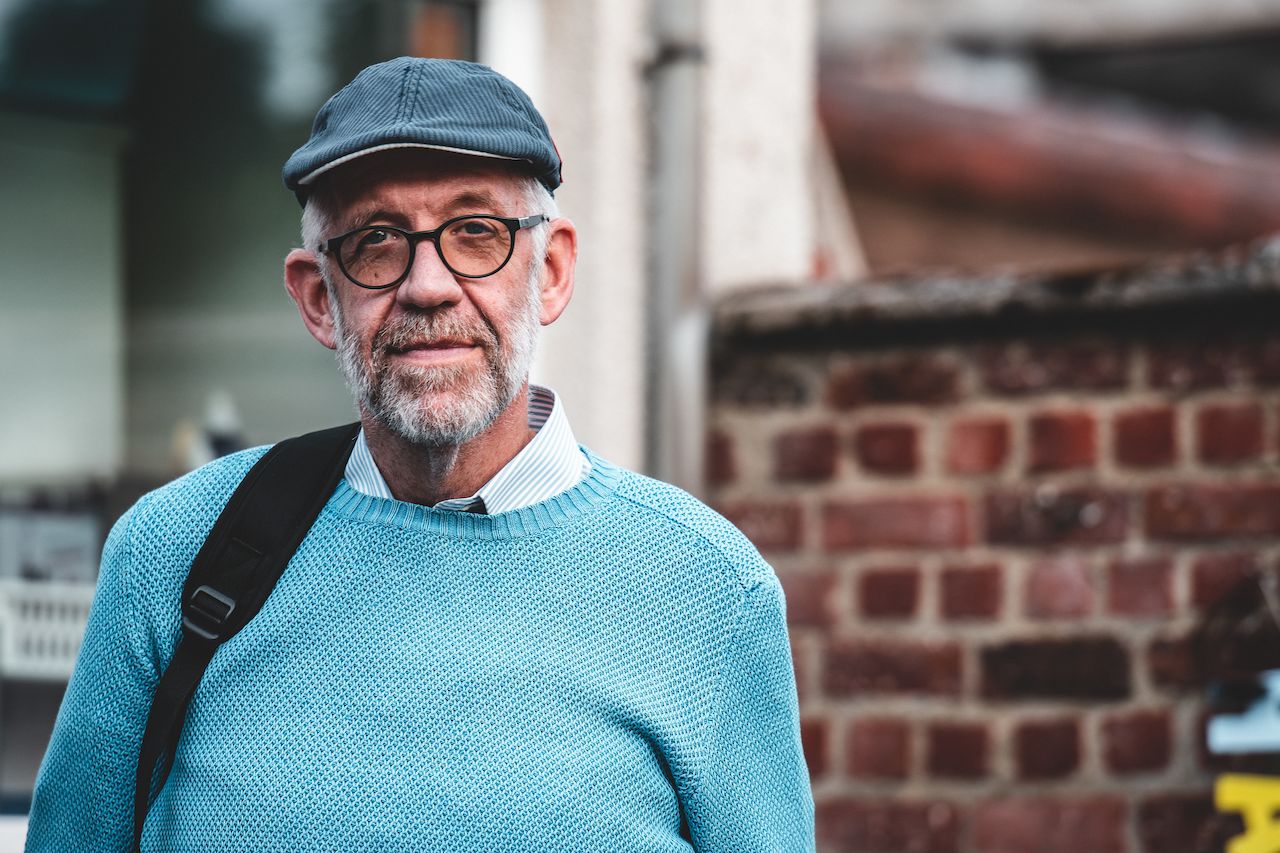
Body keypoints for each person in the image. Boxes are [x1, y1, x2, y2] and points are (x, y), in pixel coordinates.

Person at [25, 57, 814, 852]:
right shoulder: (174, 554)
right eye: (376, 240)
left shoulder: (711, 592)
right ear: (317, 297)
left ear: (552, 270)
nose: (428, 285)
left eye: (477, 232)